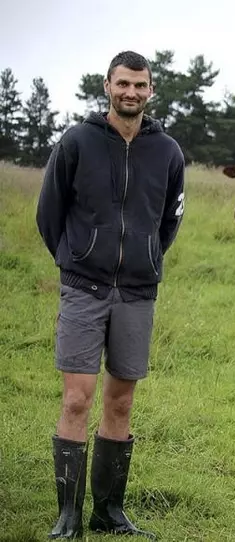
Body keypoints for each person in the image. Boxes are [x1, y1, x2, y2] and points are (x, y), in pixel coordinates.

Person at [36, 50, 185, 540]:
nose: (131, 93)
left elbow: (169, 221)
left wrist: (144, 258)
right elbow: (49, 213)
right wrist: (78, 256)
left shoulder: (168, 152)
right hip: (84, 288)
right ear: (107, 85)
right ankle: (68, 517)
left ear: (151, 90)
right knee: (77, 400)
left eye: (140, 86)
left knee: (120, 404)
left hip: (138, 294)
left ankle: (109, 512)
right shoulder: (77, 141)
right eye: (123, 84)